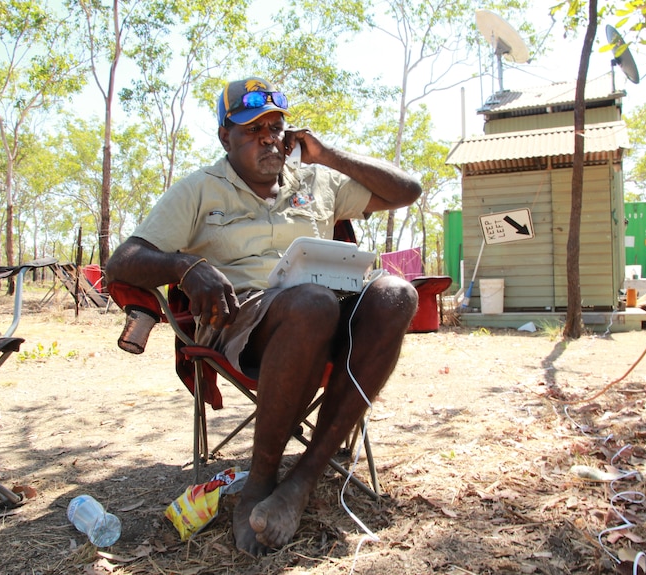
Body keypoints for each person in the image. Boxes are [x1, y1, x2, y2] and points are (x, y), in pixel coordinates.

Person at [105, 76, 422, 556]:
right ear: (224, 137)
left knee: (395, 293)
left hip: (330, 312)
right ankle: (260, 479)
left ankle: (302, 482)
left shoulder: (317, 180)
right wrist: (186, 266)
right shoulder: (200, 189)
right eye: (252, 130)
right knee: (311, 302)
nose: (269, 138)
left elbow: (408, 190)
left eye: (275, 126)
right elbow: (123, 260)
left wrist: (327, 155)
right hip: (244, 321)